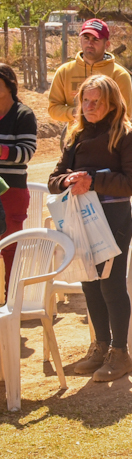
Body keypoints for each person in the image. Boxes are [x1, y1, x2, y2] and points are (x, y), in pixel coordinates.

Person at [49, 75, 132, 381]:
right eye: (85, 101)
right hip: (79, 222)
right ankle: (101, 346)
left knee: (111, 285)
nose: (89, 107)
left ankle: (121, 353)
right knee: (89, 284)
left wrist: (93, 179)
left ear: (111, 103)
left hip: (113, 220)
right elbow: (53, 179)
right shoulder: (75, 136)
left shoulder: (124, 136)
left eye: (97, 101)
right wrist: (66, 180)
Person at [48, 18, 132, 124]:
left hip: (108, 138)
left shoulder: (119, 75)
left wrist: (97, 116)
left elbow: (125, 114)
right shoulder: (64, 72)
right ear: (80, 40)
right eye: (86, 38)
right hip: (74, 138)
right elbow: (53, 109)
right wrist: (78, 113)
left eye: (95, 39)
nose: (90, 43)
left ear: (107, 44)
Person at [0, 64, 37, 302]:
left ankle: (11, 304)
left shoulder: (23, 114)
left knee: (10, 249)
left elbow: (26, 152)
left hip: (12, 190)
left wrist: (1, 151)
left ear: (8, 85)